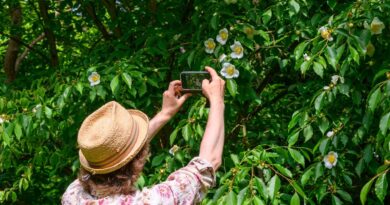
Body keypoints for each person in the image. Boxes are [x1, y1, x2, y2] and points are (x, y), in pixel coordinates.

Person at [62, 66, 225, 204]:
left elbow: (112, 152)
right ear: (137, 160)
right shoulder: (155, 200)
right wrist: (217, 101)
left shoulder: (73, 196)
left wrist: (165, 114)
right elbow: (210, 162)